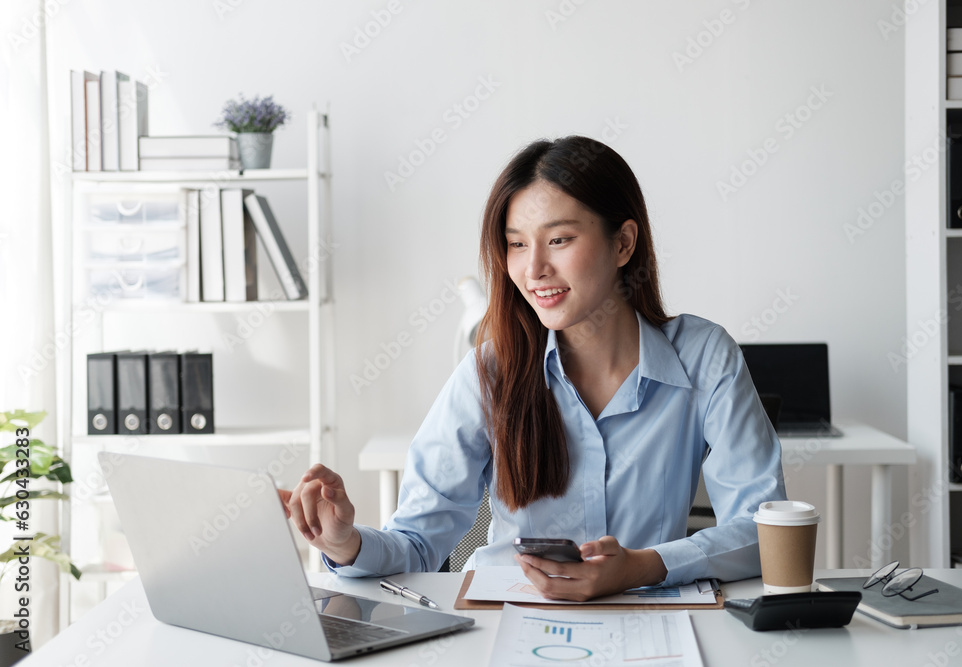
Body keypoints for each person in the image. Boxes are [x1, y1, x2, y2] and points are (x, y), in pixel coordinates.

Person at [282, 135, 786, 601]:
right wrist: (345, 543)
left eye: (559, 240)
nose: (533, 269)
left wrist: (642, 566)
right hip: (504, 621)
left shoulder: (702, 356)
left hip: (647, 622)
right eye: (517, 243)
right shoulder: (491, 371)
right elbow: (416, 544)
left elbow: (767, 530)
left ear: (623, 244)